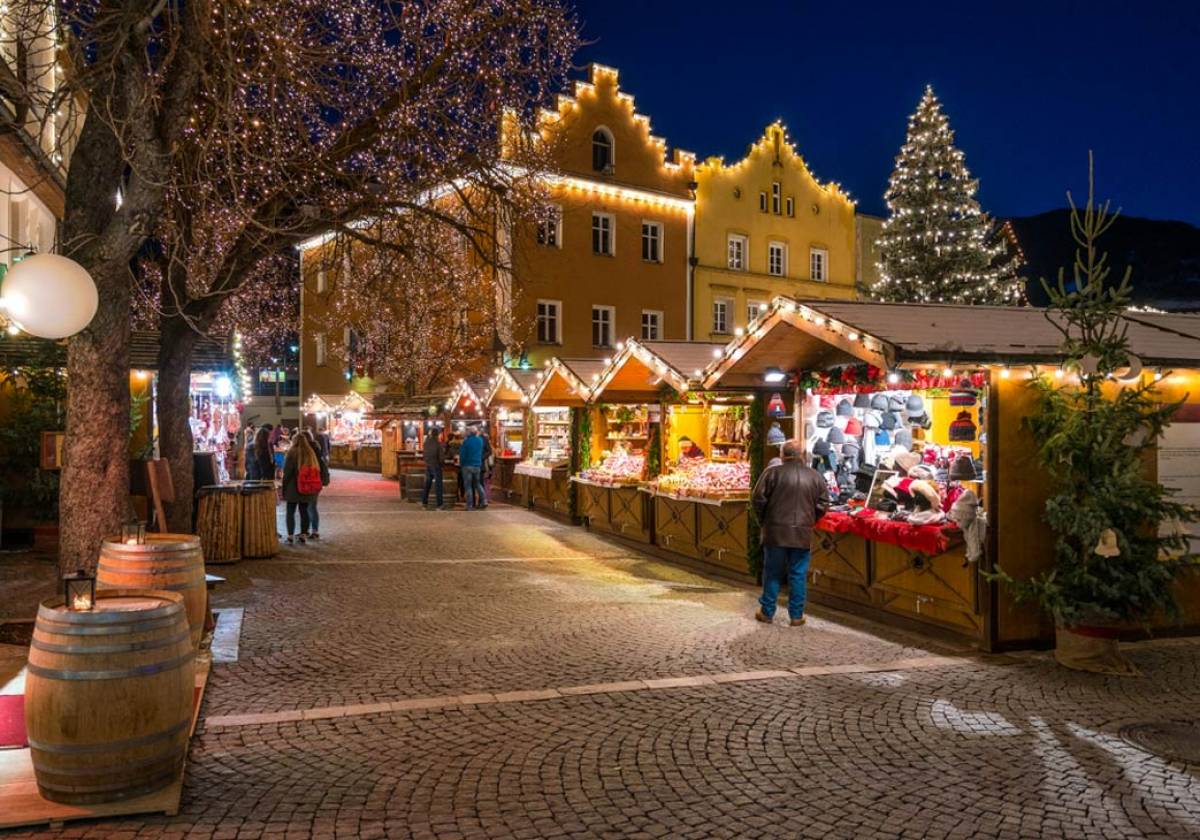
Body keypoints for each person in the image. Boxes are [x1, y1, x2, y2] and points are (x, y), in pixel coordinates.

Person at [751, 439, 829, 626]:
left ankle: (767, 612)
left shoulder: (771, 473)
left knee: (772, 573)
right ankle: (796, 615)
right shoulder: (814, 476)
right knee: (798, 574)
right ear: (802, 455)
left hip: (775, 532)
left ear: (782, 455)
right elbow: (823, 505)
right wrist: (809, 521)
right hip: (801, 534)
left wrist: (764, 521)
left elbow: (757, 500)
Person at [281, 432, 320, 544]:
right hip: (306, 487)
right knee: (304, 511)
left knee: (290, 511)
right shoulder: (310, 452)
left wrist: (284, 487)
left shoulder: (292, 452)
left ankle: (290, 535)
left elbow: (287, 472)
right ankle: (303, 534)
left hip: (292, 487)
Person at [299, 430, 330, 538]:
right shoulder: (316, 449)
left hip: (309, 481)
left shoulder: (307, 451)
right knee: (312, 506)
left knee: (308, 506)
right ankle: (313, 530)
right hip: (317, 481)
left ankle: (309, 530)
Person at [459, 426, 485, 511]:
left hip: (467, 465)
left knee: (468, 486)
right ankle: (484, 501)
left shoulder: (466, 442)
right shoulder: (480, 441)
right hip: (477, 465)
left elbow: (462, 455)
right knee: (478, 484)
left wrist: (461, 464)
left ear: (469, 433)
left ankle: (469, 505)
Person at [422, 427, 446, 510]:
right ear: (438, 434)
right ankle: (440, 505)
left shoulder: (426, 443)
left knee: (427, 485)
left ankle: (424, 503)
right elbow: (442, 458)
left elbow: (424, 455)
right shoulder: (438, 444)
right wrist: (442, 464)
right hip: (436, 466)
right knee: (438, 486)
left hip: (428, 465)